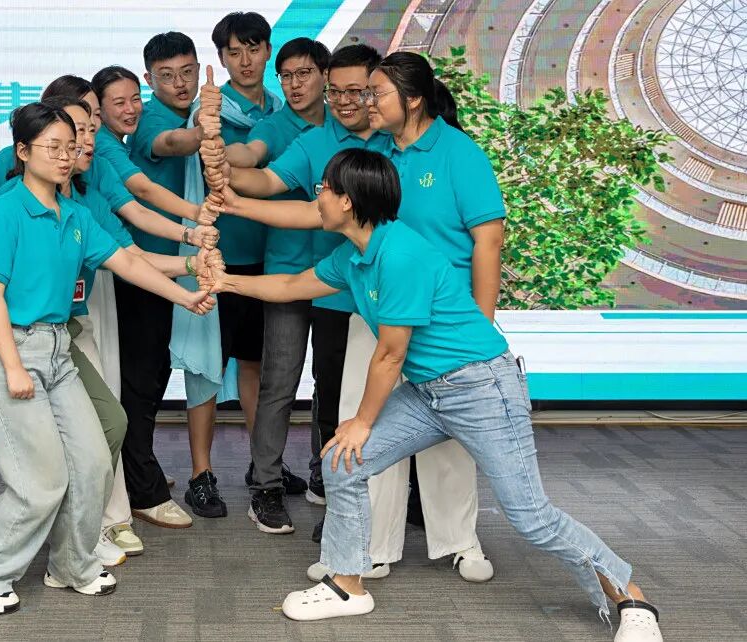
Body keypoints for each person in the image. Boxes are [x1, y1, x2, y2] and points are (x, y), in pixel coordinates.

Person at [201, 149, 663, 642]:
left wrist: (361, 421)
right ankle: (347, 585)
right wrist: (227, 281)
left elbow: (390, 354)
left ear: (348, 201)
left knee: (531, 517)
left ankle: (633, 599)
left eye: (325, 189)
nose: (318, 197)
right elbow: (294, 284)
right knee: (343, 463)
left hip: (483, 388)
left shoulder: (400, 254)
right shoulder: (355, 255)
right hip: (429, 392)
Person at [207, 46, 495, 582]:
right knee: (364, 427)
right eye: (355, 92)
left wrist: (482, 321)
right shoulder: (372, 154)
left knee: (450, 433)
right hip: (375, 307)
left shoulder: (456, 151)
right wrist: (233, 197)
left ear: (408, 99)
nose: (361, 102)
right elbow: (315, 211)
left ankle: (461, 542)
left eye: (372, 92)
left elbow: (488, 240)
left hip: (445, 317)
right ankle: (371, 545)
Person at [0, 96, 221, 563]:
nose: (68, 154)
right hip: (9, 348)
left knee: (95, 456)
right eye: (55, 146)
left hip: (57, 349)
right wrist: (10, 366)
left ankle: (72, 563)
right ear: (23, 151)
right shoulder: (4, 210)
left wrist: (186, 295)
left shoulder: (76, 214)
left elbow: (127, 262)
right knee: (41, 479)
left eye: (73, 145)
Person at [196, 37, 332, 525]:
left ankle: (325, 473)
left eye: (305, 74)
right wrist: (217, 150)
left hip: (341, 277)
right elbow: (251, 157)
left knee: (333, 383)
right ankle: (266, 485)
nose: (295, 84)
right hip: (285, 272)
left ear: (325, 76)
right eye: (287, 76)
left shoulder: (349, 129)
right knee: (279, 382)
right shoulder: (275, 126)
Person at [91, 62, 219, 528]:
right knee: (136, 385)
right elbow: (142, 194)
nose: (130, 109)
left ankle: (135, 472)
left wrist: (191, 233)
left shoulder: (109, 147)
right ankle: (141, 488)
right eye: (116, 103)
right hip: (117, 280)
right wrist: (197, 220)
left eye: (134, 100)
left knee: (139, 382)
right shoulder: (103, 148)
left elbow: (137, 208)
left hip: (133, 270)